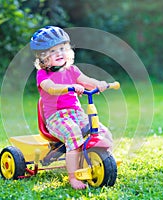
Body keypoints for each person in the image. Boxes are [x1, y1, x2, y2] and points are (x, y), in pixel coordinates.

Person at [30, 26, 113, 190]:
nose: (59, 53)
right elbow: (51, 88)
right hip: (56, 118)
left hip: (76, 113)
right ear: (43, 57)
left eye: (62, 48)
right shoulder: (42, 75)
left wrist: (100, 84)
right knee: (74, 133)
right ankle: (73, 177)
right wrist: (71, 87)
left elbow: (86, 80)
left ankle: (102, 160)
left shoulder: (72, 70)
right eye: (53, 51)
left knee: (99, 129)